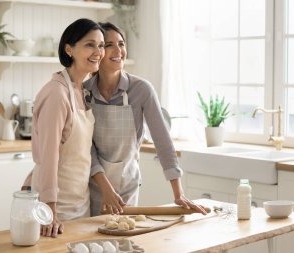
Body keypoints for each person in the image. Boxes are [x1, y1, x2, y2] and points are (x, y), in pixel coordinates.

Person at [84, 22, 207, 216]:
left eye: (122, 44)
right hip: (92, 185)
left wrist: (178, 193)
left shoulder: (141, 89)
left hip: (127, 186)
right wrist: (105, 188)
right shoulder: (85, 91)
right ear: (98, 51)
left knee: (123, 241)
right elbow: (86, 147)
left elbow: (162, 140)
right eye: (109, 45)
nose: (118, 50)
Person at [22, 18, 105, 238]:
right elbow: (49, 155)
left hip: (80, 202)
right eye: (90, 44)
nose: (98, 51)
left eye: (101, 45)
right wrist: (49, 210)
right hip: (56, 209)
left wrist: (30, 180)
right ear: (69, 49)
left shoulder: (82, 91)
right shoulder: (57, 94)